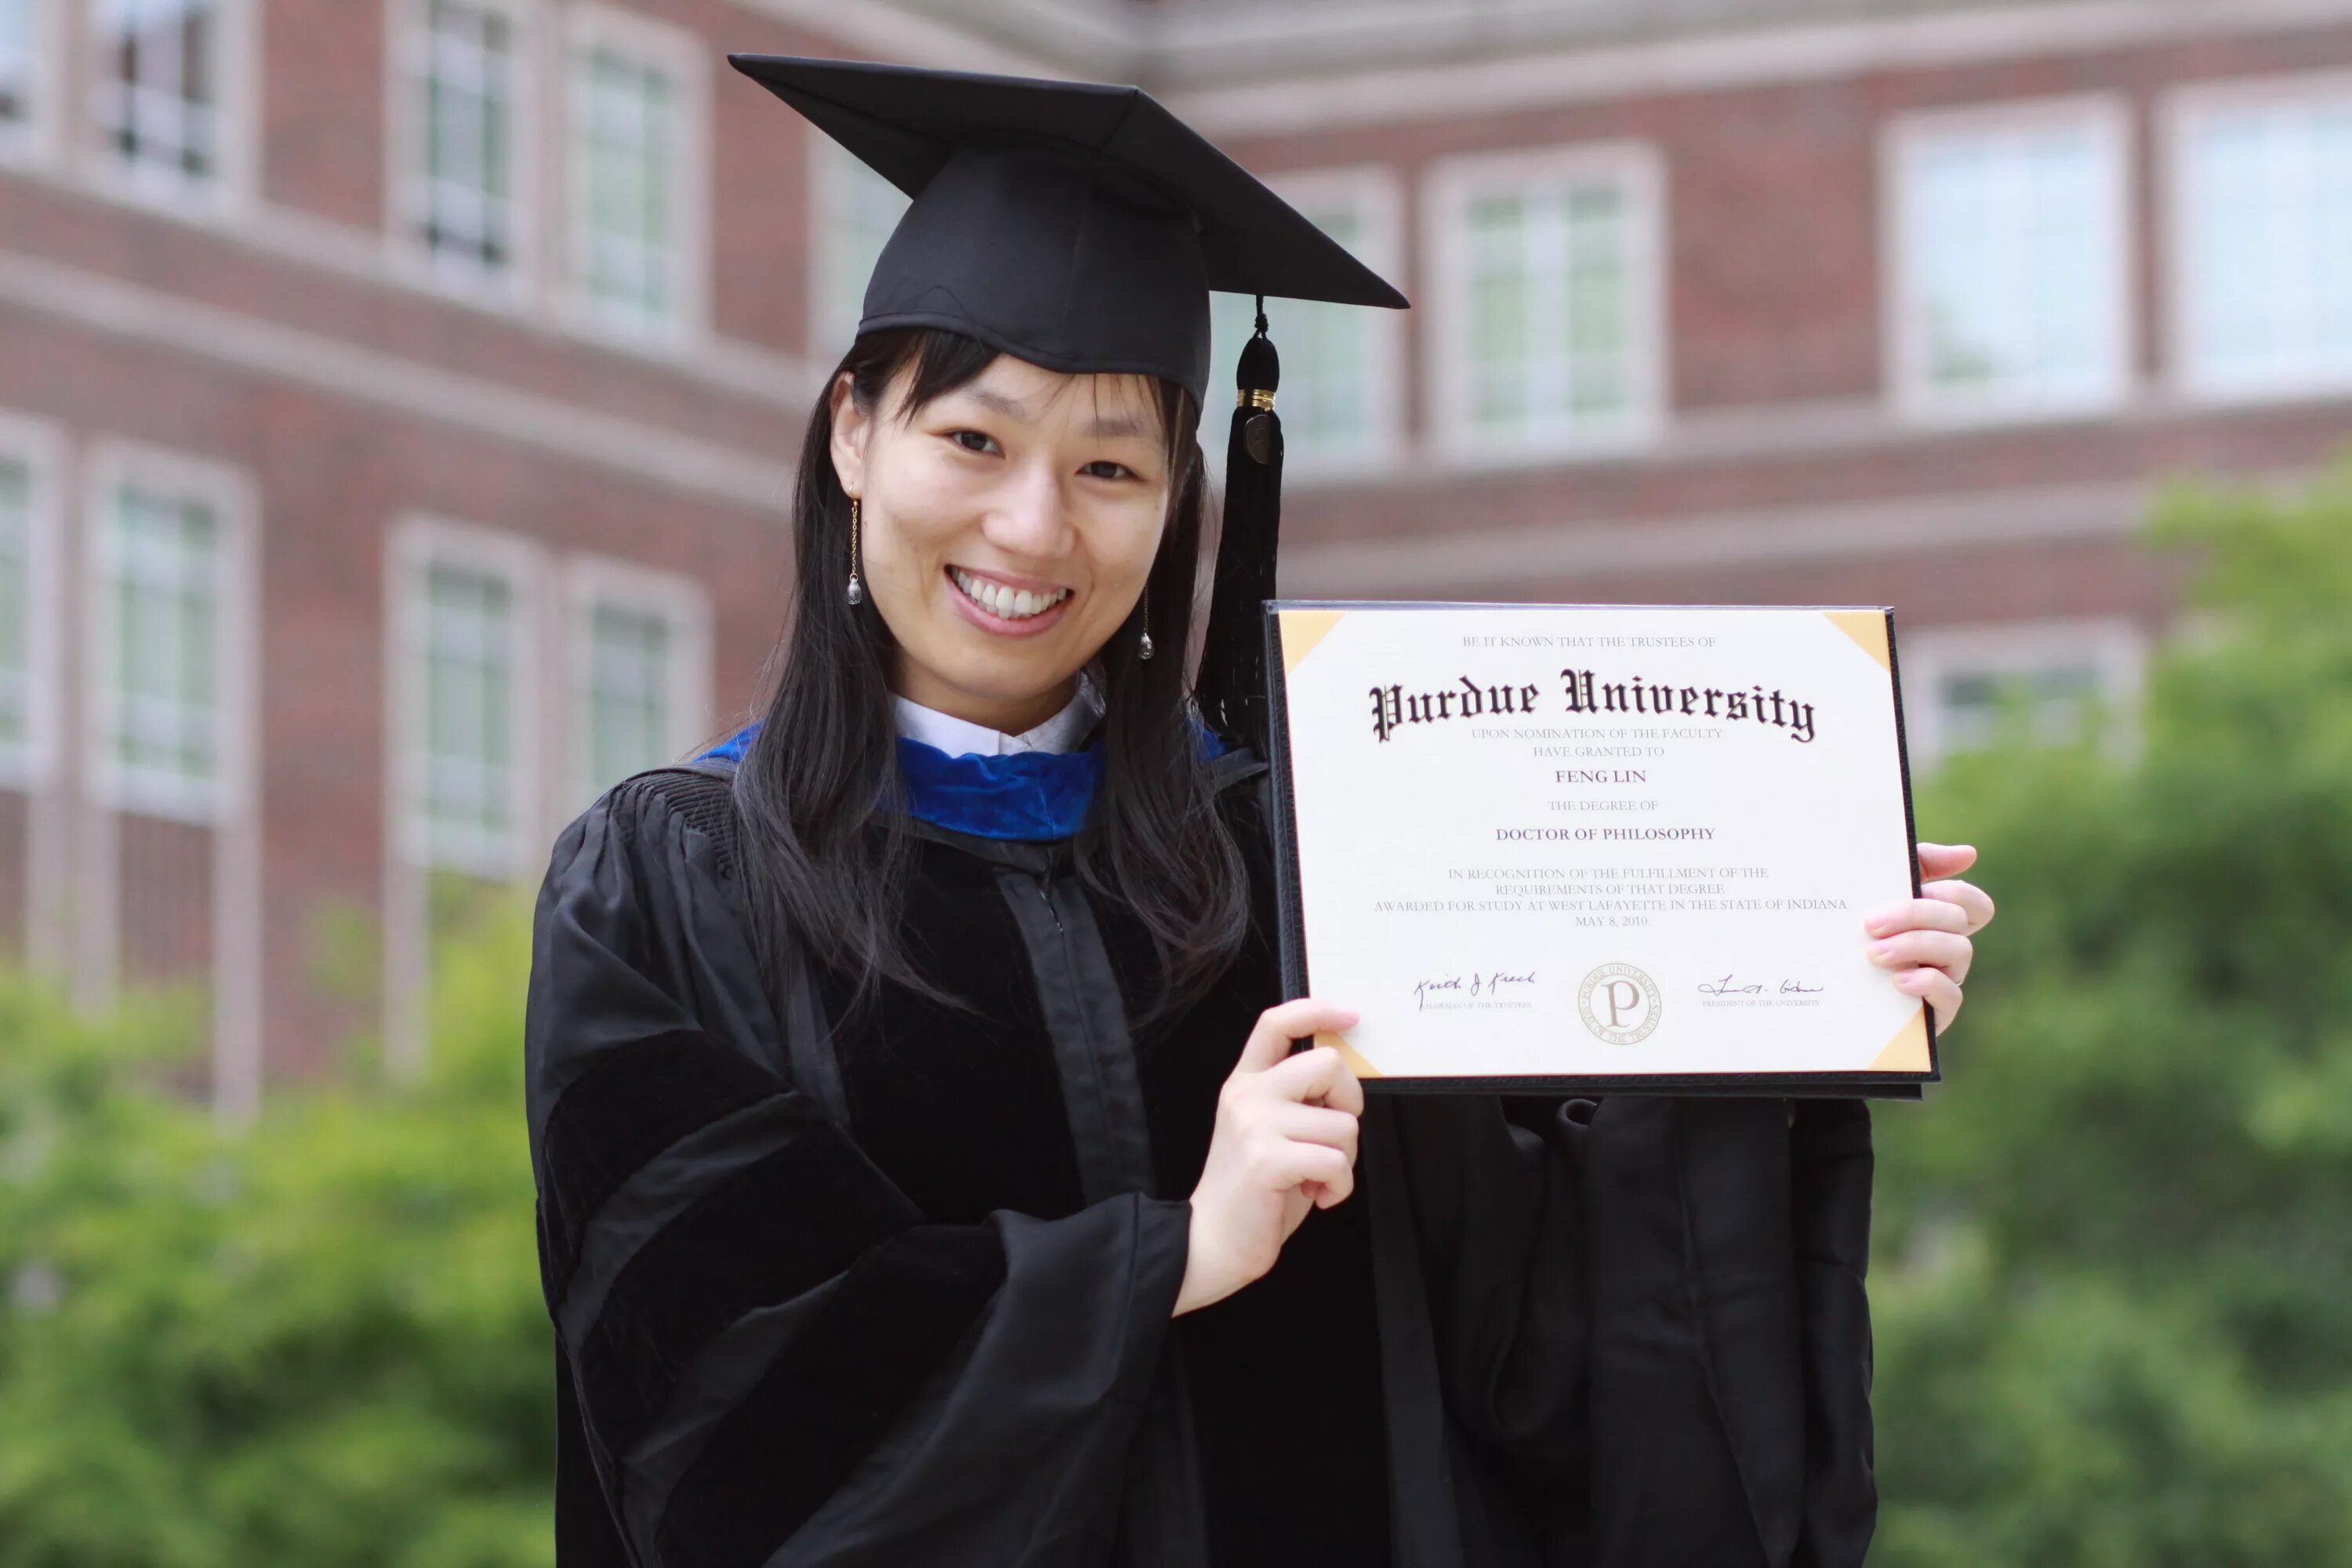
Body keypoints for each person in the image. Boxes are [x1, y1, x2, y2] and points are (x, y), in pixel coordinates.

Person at [523, 55, 1995, 1568]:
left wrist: (1784, 995)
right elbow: (716, 1396)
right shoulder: (669, 888)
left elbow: (1533, 1350)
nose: (1033, 526)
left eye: (1110, 465)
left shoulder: (1301, 859)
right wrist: (1175, 1253)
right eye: (973, 440)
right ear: (851, 433)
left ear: (1178, 507)